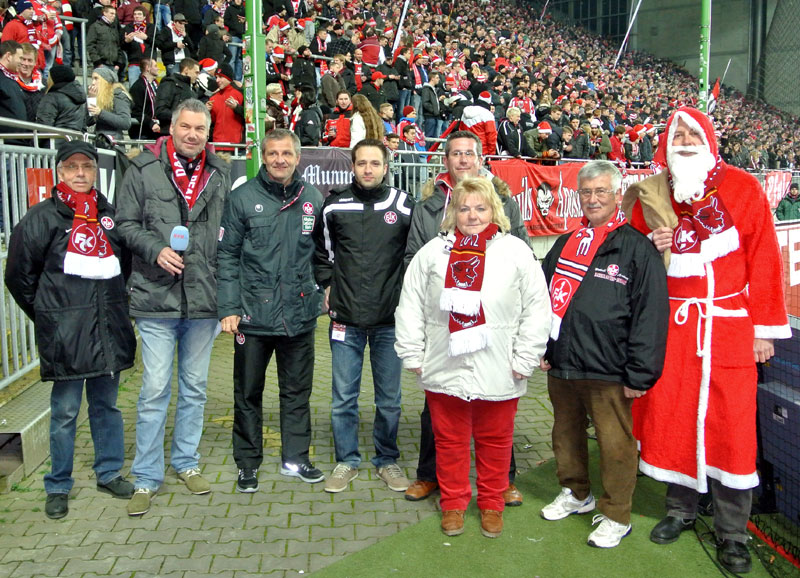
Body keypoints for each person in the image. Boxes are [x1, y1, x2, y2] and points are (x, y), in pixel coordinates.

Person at [622, 107, 791, 574]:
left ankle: (732, 531)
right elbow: (634, 265)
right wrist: (654, 250)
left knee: (731, 428)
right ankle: (680, 510)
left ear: (710, 138)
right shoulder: (651, 194)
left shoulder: (741, 187)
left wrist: (763, 330)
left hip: (730, 325)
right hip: (673, 326)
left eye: (694, 132)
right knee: (671, 414)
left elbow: (763, 260)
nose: (686, 140)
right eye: (677, 134)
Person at [395, 176, 550, 538]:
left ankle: (492, 503)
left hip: (499, 365)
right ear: (453, 212)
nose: (472, 215)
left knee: (496, 440)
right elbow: (410, 305)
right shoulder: (433, 253)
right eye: (464, 208)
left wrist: (524, 358)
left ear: (493, 209)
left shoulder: (515, 252)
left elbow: (537, 310)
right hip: (443, 363)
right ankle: (453, 503)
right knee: (448, 441)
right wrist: (412, 351)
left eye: (480, 207)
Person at [539, 160, 669, 548]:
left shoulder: (636, 248)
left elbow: (651, 315)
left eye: (600, 192)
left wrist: (639, 374)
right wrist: (545, 348)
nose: (593, 199)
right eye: (586, 192)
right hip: (563, 364)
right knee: (565, 434)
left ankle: (617, 515)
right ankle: (577, 494)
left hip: (610, 370)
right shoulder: (565, 244)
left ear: (616, 195)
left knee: (615, 445)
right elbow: (545, 299)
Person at [5, 140, 137, 520]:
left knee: (106, 407)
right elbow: (18, 276)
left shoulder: (109, 216)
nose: (80, 173)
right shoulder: (41, 218)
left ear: (96, 172)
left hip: (107, 331)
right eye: (72, 167)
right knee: (64, 413)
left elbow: (123, 266)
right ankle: (58, 484)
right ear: (59, 172)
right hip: (65, 335)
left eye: (87, 167)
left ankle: (108, 472)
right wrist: (50, 315)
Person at [116, 98, 231, 517]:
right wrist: (157, 249)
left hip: (203, 300)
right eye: (186, 127)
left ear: (207, 133)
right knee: (154, 390)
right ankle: (146, 477)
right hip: (155, 297)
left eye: (200, 129)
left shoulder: (220, 172)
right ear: (171, 126)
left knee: (196, 389)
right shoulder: (142, 168)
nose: (192, 135)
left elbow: (227, 233)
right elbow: (125, 224)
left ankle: (186, 462)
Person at [404, 130, 529, 506]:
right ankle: (431, 476)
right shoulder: (427, 206)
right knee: (440, 415)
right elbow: (413, 260)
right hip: (444, 336)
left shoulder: (504, 198)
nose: (462, 160)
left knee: (496, 415)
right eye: (455, 154)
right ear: (446, 160)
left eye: (469, 154)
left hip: (493, 338)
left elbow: (520, 255)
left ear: (479, 159)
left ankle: (502, 481)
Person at [217, 129, 324, 492]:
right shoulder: (243, 198)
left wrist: (322, 292)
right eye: (273, 153)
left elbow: (322, 255)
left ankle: (296, 458)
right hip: (252, 316)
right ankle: (248, 463)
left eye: (286, 154)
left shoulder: (312, 198)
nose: (280, 159)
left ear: (297, 157)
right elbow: (227, 256)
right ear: (264, 157)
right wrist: (229, 307)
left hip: (298, 316)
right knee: (247, 393)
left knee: (297, 392)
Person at [314, 139, 414, 494]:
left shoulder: (404, 206)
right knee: (343, 398)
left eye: (375, 163)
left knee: (389, 399)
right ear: (352, 166)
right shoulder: (334, 206)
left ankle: (387, 460)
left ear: (386, 167)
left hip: (390, 320)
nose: (368, 169)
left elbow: (414, 257)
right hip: (346, 319)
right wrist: (326, 285)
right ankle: (347, 461)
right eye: (361, 163)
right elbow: (320, 253)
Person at [36, 64, 87, 131]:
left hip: (56, 140)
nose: (47, 80)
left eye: (49, 77)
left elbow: (43, 127)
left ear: (54, 79)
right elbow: (83, 126)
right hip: (75, 139)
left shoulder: (51, 97)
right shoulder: (79, 98)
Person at [87, 67, 132, 143]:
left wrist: (100, 113)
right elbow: (88, 121)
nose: (93, 82)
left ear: (105, 80)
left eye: (96, 78)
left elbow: (125, 122)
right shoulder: (99, 97)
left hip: (113, 143)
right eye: (92, 79)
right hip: (100, 141)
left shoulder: (119, 95)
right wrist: (91, 99)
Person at [154, 57, 200, 129]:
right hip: (170, 133)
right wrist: (182, 116)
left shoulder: (193, 89)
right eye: (196, 72)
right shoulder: (169, 83)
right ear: (186, 70)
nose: (198, 76)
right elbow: (160, 111)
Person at [207, 62, 243, 150]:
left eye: (220, 77)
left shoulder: (240, 93)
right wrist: (206, 111)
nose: (217, 80)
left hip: (237, 147)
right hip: (216, 146)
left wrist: (237, 108)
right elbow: (210, 123)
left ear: (228, 78)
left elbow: (250, 116)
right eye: (216, 77)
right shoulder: (213, 98)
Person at [128, 56, 161, 139]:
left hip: (155, 131)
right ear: (148, 68)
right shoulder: (137, 87)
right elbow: (136, 112)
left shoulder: (156, 85)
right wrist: (150, 123)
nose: (158, 69)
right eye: (155, 66)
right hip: (141, 132)